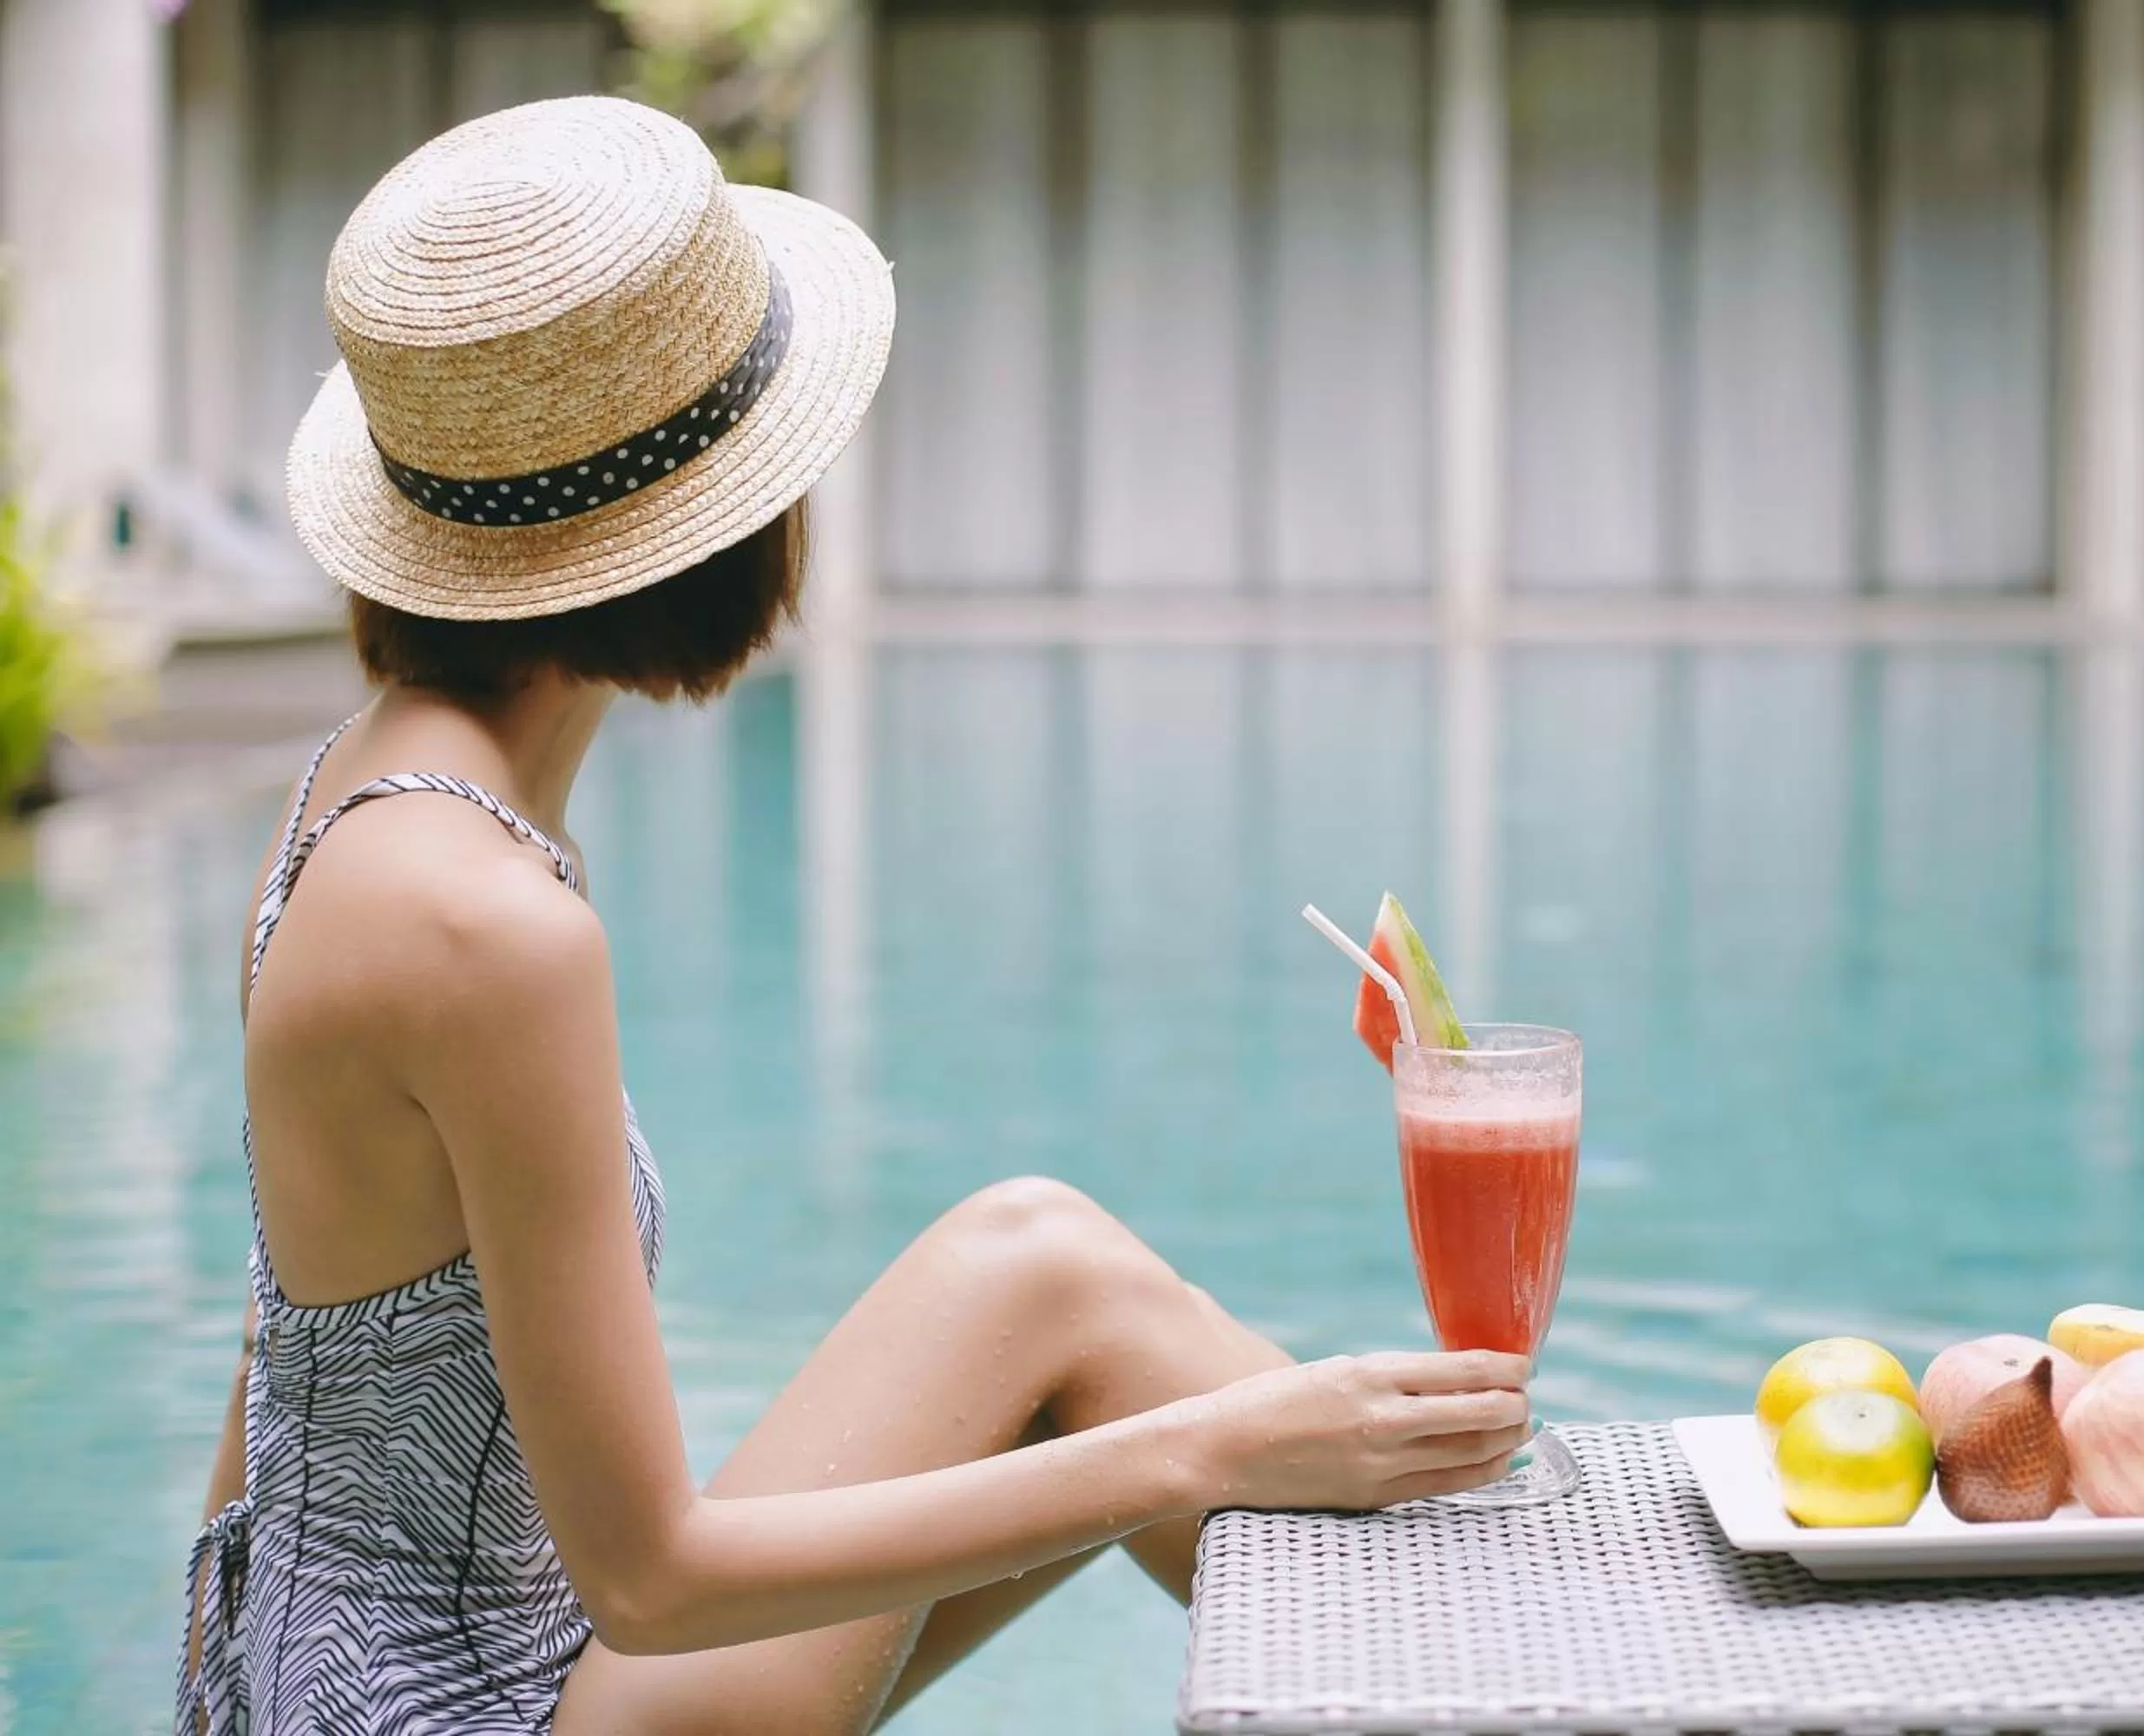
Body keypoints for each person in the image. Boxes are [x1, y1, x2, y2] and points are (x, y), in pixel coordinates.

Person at [177, 95, 1529, 1735]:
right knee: (1088, 1321)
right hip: (471, 1715)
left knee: (1044, 1268)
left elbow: (281, 1375)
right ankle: (1515, 1659)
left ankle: (1481, 1633)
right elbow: (653, 1583)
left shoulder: (359, 795)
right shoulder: (486, 927)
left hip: (328, 1689)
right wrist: (1208, 1448)